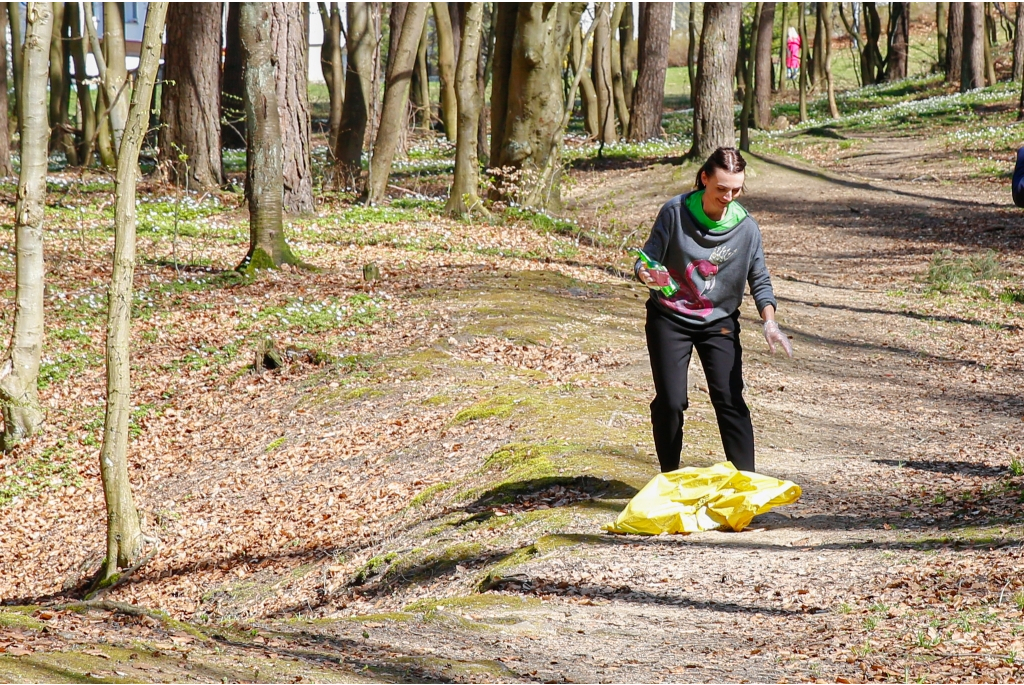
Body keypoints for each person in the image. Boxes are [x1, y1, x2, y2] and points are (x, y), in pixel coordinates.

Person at [634, 147, 791, 475]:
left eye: (736, 189)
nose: (728, 196)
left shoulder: (746, 228)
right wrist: (645, 272)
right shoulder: (674, 213)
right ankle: (670, 479)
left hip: (717, 321)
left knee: (731, 400)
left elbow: (759, 278)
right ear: (704, 178)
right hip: (669, 317)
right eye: (721, 188)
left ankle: (745, 484)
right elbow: (647, 258)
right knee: (671, 402)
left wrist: (770, 323)